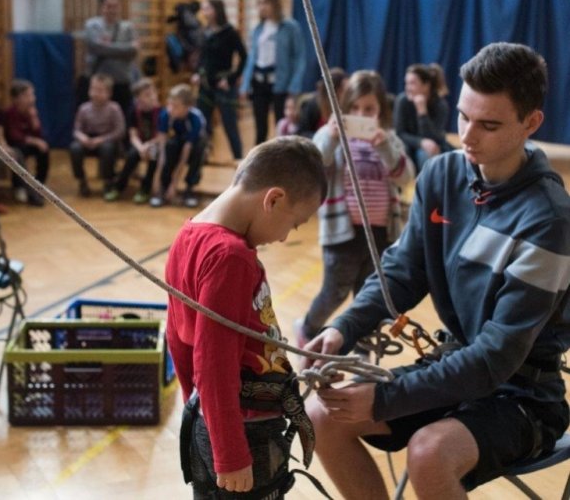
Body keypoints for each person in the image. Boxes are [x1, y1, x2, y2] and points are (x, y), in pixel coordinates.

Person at [304, 43, 570, 500]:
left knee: (429, 453)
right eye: (463, 117)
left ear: (531, 123)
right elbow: (403, 271)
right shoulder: (442, 176)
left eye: (488, 124)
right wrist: (344, 328)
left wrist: (386, 399)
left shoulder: (549, 220)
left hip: (523, 394)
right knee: (321, 415)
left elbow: (495, 358)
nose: (467, 136)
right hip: (454, 367)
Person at [165, 136, 327, 498]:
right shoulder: (231, 256)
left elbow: (176, 334)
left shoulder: (189, 233)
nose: (285, 238)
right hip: (245, 432)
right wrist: (229, 451)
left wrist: (200, 409)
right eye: (295, 224)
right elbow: (213, 359)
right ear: (274, 199)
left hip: (217, 421)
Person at [295, 71, 413, 348]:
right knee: (334, 291)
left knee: (368, 297)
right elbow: (315, 163)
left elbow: (405, 176)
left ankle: (362, 348)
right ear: (344, 107)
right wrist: (332, 137)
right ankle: (309, 328)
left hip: (381, 233)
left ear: (380, 110)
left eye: (369, 109)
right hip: (342, 234)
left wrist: (384, 147)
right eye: (355, 108)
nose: (361, 114)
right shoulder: (329, 134)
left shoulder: (389, 139)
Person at [240, 0, 306, 147]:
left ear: (275, 3)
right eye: (259, 3)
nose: (262, 7)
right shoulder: (258, 29)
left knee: (281, 124)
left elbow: (300, 57)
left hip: (280, 82)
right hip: (259, 81)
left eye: (265, 2)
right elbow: (252, 58)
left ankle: (281, 162)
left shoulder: (290, 27)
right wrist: (245, 84)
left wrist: (295, 84)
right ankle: (258, 164)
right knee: (260, 126)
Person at [193, 0, 247, 161]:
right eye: (203, 9)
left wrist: (231, 79)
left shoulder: (230, 32)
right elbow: (202, 57)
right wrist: (197, 73)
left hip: (223, 85)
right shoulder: (205, 31)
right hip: (205, 84)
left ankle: (239, 159)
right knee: (203, 122)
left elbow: (244, 57)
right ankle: (203, 156)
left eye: (207, 8)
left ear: (217, 10)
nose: (204, 12)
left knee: (229, 123)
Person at [80, 0, 140, 118]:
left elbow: (134, 51)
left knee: (124, 119)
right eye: (108, 6)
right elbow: (96, 48)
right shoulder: (92, 25)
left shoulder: (128, 27)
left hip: (122, 81)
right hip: (99, 83)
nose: (112, 10)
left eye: (115, 6)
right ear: (102, 8)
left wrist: (108, 48)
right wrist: (125, 49)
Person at [149, 84, 206, 209]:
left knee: (200, 148)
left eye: (176, 106)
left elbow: (186, 152)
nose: (170, 109)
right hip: (175, 146)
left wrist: (175, 184)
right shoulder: (165, 115)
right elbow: (162, 149)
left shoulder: (196, 119)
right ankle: (162, 188)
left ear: (188, 107)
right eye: (170, 104)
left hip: (191, 148)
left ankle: (189, 189)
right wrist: (157, 178)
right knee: (170, 145)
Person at [105, 78, 160, 204]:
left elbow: (162, 136)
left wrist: (148, 146)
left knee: (153, 156)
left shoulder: (161, 112)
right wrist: (141, 148)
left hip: (155, 145)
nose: (151, 97)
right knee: (131, 156)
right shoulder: (134, 112)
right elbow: (133, 135)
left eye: (153, 93)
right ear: (138, 98)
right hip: (139, 145)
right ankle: (118, 187)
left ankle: (145, 189)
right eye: (147, 95)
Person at [70, 73, 125, 197]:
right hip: (89, 140)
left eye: (100, 90)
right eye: (93, 89)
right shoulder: (84, 108)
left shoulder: (114, 108)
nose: (96, 93)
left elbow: (120, 131)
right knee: (75, 148)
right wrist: (82, 138)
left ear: (109, 93)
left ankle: (108, 181)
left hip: (108, 141)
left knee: (107, 149)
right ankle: (81, 180)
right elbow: (76, 129)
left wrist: (100, 140)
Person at [394, 62, 452, 171]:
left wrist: (422, 112)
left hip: (434, 147)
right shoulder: (402, 101)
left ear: (426, 86)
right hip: (409, 146)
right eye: (406, 83)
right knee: (405, 152)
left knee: (425, 153)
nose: (407, 88)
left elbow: (435, 138)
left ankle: (430, 186)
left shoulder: (440, 105)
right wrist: (420, 142)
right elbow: (400, 133)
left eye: (412, 83)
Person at [2, 79, 50, 206]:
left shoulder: (31, 112)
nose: (32, 98)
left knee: (44, 149)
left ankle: (39, 183)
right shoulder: (10, 113)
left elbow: (38, 135)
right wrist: (35, 141)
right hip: (14, 145)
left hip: (28, 143)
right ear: (18, 98)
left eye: (32, 95)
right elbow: (14, 136)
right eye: (28, 95)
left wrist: (35, 120)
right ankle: (19, 186)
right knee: (19, 153)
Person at [296, 67, 348, 138]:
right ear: (335, 90)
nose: (347, 92)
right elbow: (301, 133)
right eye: (343, 89)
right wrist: (324, 135)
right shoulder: (313, 105)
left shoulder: (347, 105)